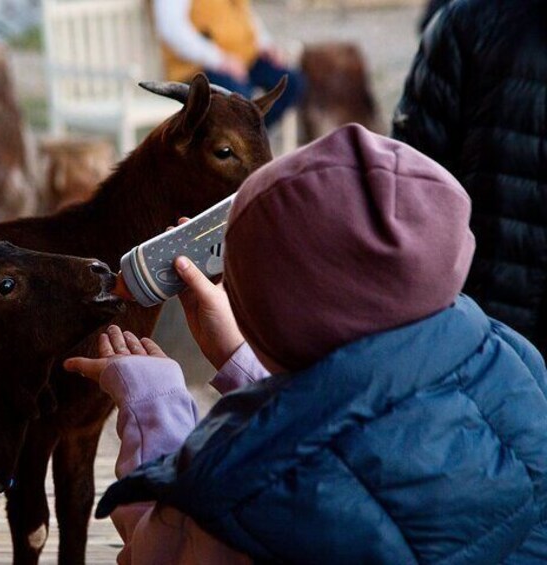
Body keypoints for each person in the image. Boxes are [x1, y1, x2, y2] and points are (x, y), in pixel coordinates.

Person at [65, 124, 547, 563]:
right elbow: (357, 407)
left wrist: (154, 405)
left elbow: (162, 551)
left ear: (269, 314)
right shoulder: (516, 366)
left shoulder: (244, 486)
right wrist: (243, 361)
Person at [392, 0, 547, 353]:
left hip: (476, 340)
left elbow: (405, 195)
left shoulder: (465, 22)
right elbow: (411, 192)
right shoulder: (467, 24)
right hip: (477, 329)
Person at [152, 0, 304, 126]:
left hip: (243, 59)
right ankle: (239, 145)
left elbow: (245, 16)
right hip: (197, 67)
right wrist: (220, 60)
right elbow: (171, 29)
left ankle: (249, 140)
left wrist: (265, 45)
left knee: (290, 83)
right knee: (238, 99)